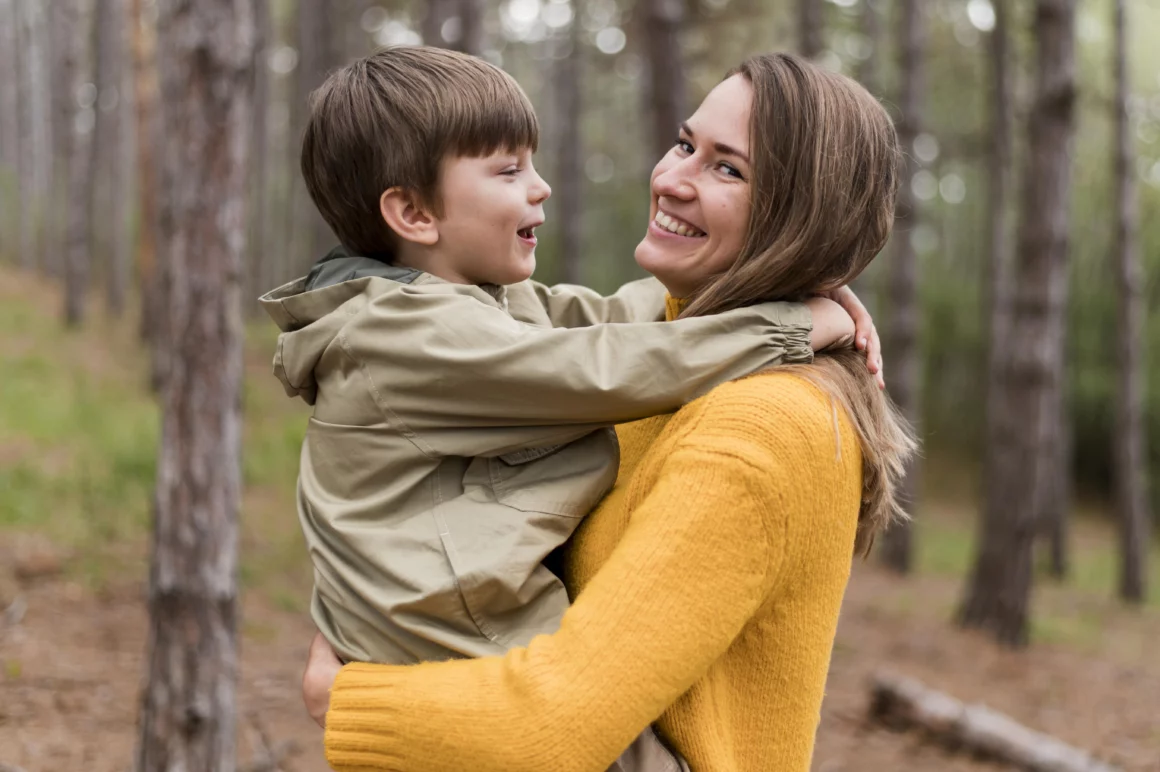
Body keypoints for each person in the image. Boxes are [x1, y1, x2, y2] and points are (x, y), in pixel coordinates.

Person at [261, 47, 878, 772]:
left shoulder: (755, 431)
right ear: (413, 213)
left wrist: (341, 697)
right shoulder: (418, 330)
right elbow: (605, 358)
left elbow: (603, 330)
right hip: (456, 684)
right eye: (684, 144)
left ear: (799, 217)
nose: (673, 176)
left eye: (726, 167)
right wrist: (781, 315)